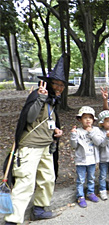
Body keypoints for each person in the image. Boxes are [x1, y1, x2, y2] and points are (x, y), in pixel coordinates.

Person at [4, 55, 74, 225]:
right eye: (56, 84)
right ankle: (12, 220)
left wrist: (55, 131)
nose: (59, 88)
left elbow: (46, 122)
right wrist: (41, 98)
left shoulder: (52, 101)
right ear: (49, 83)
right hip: (30, 147)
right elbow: (29, 118)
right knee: (25, 182)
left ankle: (39, 209)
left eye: (62, 85)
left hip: (45, 147)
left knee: (48, 178)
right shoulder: (39, 95)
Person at [70, 106, 100, 208]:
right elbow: (74, 145)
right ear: (80, 119)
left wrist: (90, 132)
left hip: (92, 159)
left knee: (91, 177)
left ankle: (90, 193)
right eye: (85, 117)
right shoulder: (78, 131)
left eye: (90, 118)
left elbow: (98, 142)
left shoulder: (96, 130)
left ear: (93, 120)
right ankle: (80, 196)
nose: (88, 120)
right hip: (81, 160)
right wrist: (73, 135)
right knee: (81, 179)